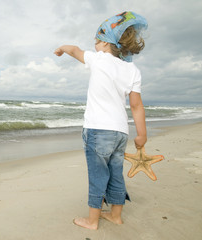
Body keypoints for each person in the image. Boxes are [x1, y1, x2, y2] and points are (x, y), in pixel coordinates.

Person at [54, 11, 148, 230]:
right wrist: (142, 135)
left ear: (107, 44)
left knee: (98, 175)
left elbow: (75, 50)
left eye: (96, 40)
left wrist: (61, 48)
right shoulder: (133, 70)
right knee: (116, 173)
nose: (94, 44)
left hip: (98, 129)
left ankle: (92, 220)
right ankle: (115, 215)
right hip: (120, 132)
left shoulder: (98, 59)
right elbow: (136, 106)